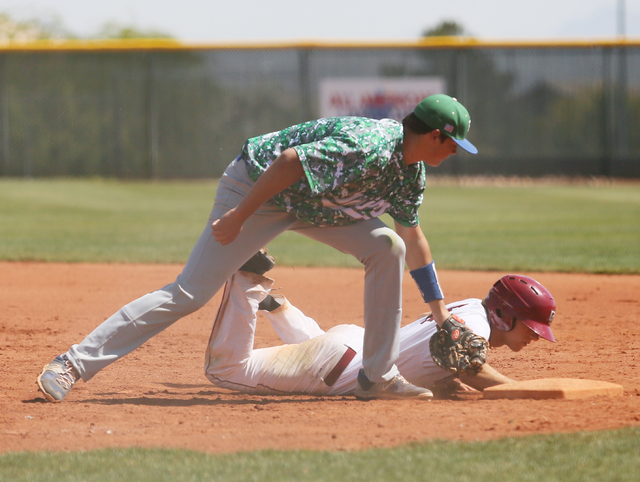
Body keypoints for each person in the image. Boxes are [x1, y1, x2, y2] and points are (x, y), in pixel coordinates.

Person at [37, 94, 478, 403]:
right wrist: (240, 216)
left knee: (389, 246)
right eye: (456, 145)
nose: (457, 153)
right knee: (189, 293)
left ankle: (378, 375)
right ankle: (71, 364)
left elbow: (414, 238)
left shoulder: (411, 172)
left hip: (316, 205)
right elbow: (288, 163)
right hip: (259, 188)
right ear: (437, 135)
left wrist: (441, 316)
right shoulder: (368, 146)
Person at [204, 262, 557, 398]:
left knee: (317, 346)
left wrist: (442, 379)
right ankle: (246, 282)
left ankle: (280, 309)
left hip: (350, 343)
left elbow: (433, 350)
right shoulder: (476, 331)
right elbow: (473, 367)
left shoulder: (470, 308)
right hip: (341, 367)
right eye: (530, 327)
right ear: (503, 316)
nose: (534, 337)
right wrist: (523, 389)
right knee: (228, 370)